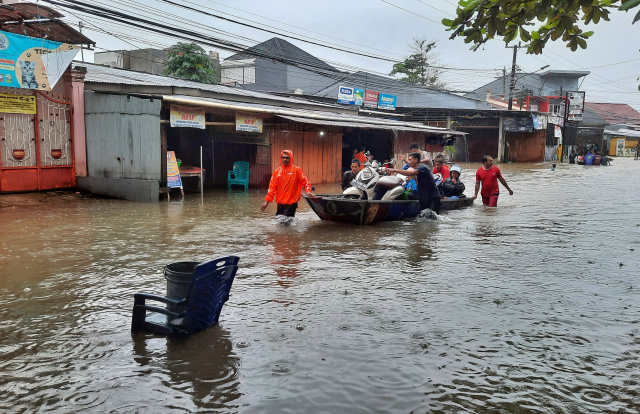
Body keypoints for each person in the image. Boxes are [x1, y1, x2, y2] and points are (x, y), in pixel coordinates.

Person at [261, 149, 315, 217]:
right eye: (283, 157)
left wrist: (308, 191)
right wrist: (267, 202)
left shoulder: (297, 170)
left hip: (291, 204)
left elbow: (305, 181)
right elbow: (272, 188)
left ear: (291, 158)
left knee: (286, 224)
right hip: (280, 204)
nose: (285, 159)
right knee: (279, 223)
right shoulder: (277, 172)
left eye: (287, 158)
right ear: (281, 158)